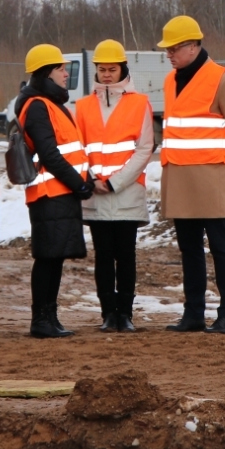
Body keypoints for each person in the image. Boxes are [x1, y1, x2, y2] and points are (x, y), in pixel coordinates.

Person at [158, 16, 225, 336]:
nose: (169, 54)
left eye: (174, 48)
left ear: (193, 46)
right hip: (180, 178)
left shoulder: (223, 79)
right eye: (167, 49)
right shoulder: (170, 81)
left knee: (221, 247)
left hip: (211, 177)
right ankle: (193, 313)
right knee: (189, 250)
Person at [74, 39, 153, 332]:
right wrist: (93, 179)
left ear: (123, 70)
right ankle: (108, 314)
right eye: (102, 69)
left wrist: (115, 181)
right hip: (96, 193)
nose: (107, 74)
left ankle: (126, 314)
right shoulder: (82, 106)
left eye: (112, 69)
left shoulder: (139, 103)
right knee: (103, 256)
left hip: (127, 193)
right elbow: (78, 148)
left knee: (126, 256)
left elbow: (145, 148)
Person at [13, 44, 92, 338]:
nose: (64, 73)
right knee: (48, 258)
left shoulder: (48, 103)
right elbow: (50, 154)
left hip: (58, 193)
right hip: (51, 194)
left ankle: (49, 317)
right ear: (47, 72)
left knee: (53, 257)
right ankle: (42, 320)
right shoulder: (37, 106)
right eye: (60, 69)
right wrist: (79, 183)